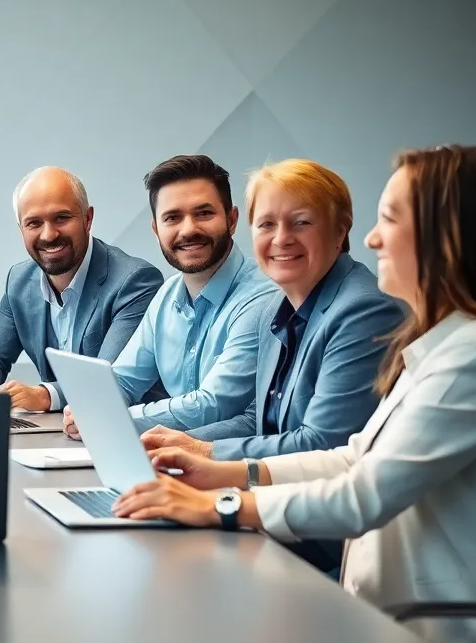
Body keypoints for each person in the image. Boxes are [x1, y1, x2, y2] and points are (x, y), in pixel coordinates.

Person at [113, 145, 476, 643]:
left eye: (390, 220)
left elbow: (362, 491)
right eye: (268, 224)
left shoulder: (469, 353)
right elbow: (356, 457)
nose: (373, 239)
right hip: (387, 618)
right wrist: (221, 470)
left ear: (450, 235)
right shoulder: (439, 346)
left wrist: (222, 502)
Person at [143, 160, 404, 459]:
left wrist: (206, 451)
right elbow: (259, 422)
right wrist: (173, 443)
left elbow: (323, 443)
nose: (281, 239)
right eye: (267, 224)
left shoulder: (363, 312)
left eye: (301, 222)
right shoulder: (273, 307)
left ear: (340, 231)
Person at [65, 155, 275, 438]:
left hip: (236, 468)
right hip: (173, 461)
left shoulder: (263, 296)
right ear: (156, 230)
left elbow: (214, 405)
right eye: (172, 217)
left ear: (232, 219)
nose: (188, 230)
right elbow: (123, 382)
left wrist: (108, 418)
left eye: (204, 213)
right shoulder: (167, 296)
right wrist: (89, 407)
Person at [0, 166, 163, 409]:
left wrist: (44, 395)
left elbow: (111, 377)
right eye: (34, 223)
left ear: (87, 218)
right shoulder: (19, 280)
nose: (48, 235)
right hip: (60, 430)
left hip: (130, 430)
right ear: (21, 229)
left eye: (61, 218)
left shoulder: (134, 281)